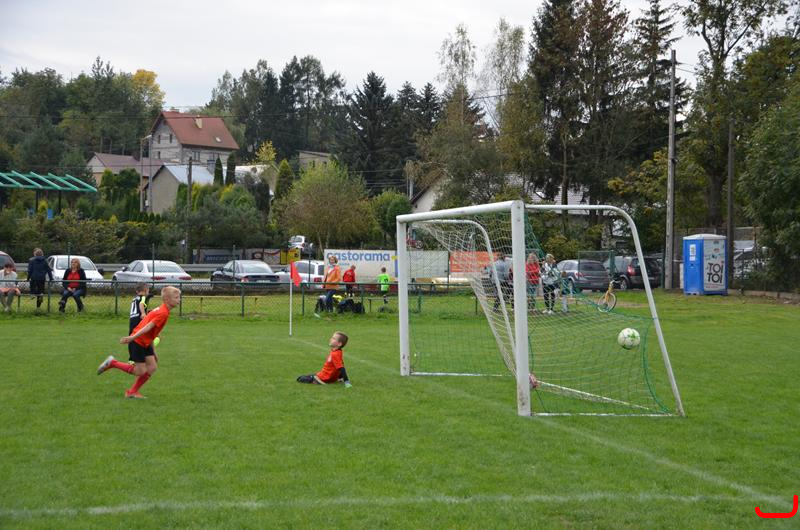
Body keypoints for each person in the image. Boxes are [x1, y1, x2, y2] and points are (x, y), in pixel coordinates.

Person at [96, 285, 182, 399]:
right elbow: (148, 327)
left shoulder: (162, 310)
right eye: (176, 297)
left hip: (145, 342)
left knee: (152, 367)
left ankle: (132, 392)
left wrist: (154, 352)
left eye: (179, 297)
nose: (179, 300)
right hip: (138, 341)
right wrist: (132, 338)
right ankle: (113, 363)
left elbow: (152, 332)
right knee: (140, 371)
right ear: (167, 299)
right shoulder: (163, 313)